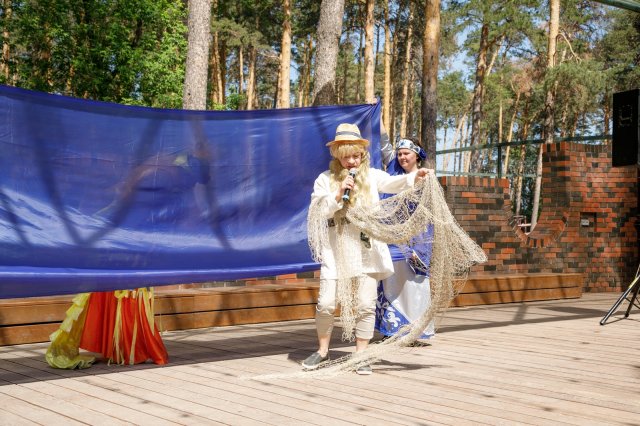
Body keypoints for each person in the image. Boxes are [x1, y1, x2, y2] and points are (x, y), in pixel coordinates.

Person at [302, 123, 433, 375]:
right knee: (327, 303)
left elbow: (394, 183)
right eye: (345, 156)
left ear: (362, 154)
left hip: (366, 250)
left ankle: (361, 356)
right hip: (336, 250)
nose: (351, 161)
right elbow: (318, 211)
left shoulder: (372, 176)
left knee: (365, 304)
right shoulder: (324, 180)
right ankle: (321, 351)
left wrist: (414, 177)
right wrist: (338, 193)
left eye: (355, 155)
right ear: (337, 156)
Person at [375, 137, 435, 343]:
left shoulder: (426, 178)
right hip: (392, 238)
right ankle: (390, 330)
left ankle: (414, 332)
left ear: (416, 155)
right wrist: (374, 107)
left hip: (417, 240)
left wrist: (421, 242)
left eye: (406, 153)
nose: (401, 157)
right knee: (390, 281)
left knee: (415, 285)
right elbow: (384, 144)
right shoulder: (395, 174)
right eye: (399, 154)